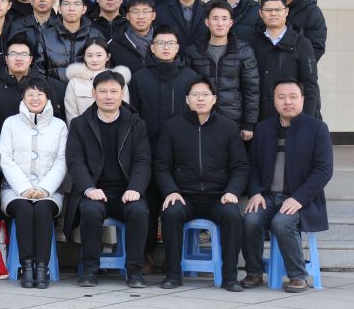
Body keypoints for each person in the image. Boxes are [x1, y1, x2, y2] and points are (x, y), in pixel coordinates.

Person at [155, 78, 249, 291]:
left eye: (205, 94)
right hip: (184, 195)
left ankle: (230, 277)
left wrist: (232, 191)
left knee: (232, 216)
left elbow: (241, 166)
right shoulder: (172, 127)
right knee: (171, 213)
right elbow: (161, 166)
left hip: (218, 196)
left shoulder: (228, 127)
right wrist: (171, 191)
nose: (200, 99)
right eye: (195, 95)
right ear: (187, 99)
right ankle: (172, 275)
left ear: (214, 99)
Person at [241, 80, 333, 293]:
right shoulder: (263, 128)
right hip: (267, 196)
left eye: (293, 97)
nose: (287, 102)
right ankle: (254, 272)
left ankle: (297, 276)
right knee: (250, 220)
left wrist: (299, 198)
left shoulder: (317, 128)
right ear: (274, 102)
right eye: (281, 97)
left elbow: (323, 170)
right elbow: (252, 164)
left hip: (300, 199)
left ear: (303, 99)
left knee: (282, 223)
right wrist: (255, 192)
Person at [65, 70, 151, 288]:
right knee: (91, 210)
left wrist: (135, 188)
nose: (109, 96)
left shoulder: (136, 124)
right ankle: (89, 270)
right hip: (95, 190)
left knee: (138, 211)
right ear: (93, 94)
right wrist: (88, 188)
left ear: (122, 93)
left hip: (126, 191)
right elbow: (75, 161)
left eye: (114, 91)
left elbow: (143, 161)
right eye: (103, 91)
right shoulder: (80, 124)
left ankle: (135, 271)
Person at [128, 26, 200, 269]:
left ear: (178, 47)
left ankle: (174, 256)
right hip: (147, 147)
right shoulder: (140, 77)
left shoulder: (190, 77)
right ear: (152, 47)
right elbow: (134, 115)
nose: (166, 47)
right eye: (160, 43)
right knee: (148, 200)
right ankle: (145, 254)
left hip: (181, 151)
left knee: (176, 201)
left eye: (170, 43)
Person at [0, 77, 68, 288]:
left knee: (42, 210)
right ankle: (27, 267)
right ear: (23, 97)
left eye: (40, 94)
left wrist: (44, 189)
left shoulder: (59, 126)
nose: (35, 98)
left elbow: (62, 161)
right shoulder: (10, 123)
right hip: (14, 189)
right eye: (30, 94)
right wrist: (25, 188)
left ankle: (42, 267)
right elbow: (5, 158)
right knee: (25, 210)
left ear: (47, 97)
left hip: (50, 191)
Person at [185, 0, 260, 141]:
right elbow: (187, 89)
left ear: (231, 23)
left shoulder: (244, 51)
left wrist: (249, 123)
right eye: (215, 18)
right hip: (201, 120)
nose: (220, 23)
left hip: (233, 121)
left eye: (224, 19)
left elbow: (252, 89)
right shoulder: (193, 51)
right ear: (207, 22)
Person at [250, 0, 320, 121]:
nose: (273, 13)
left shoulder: (302, 43)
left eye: (278, 9)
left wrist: (307, 120)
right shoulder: (252, 43)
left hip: (293, 116)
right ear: (260, 13)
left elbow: (310, 85)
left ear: (286, 11)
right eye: (268, 10)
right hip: (261, 118)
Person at [0, 35, 65, 130]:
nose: (19, 58)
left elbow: (55, 120)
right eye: (13, 54)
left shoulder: (44, 87)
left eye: (24, 54)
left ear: (30, 59)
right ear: (6, 59)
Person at [39, 0, 105, 82]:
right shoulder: (46, 36)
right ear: (59, 9)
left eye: (77, 4)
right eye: (66, 4)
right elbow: (39, 69)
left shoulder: (95, 35)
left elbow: (104, 69)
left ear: (84, 9)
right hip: (53, 89)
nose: (71, 8)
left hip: (87, 90)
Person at [64, 38, 131, 124]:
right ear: (84, 58)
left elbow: (124, 112)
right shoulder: (74, 83)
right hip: (82, 130)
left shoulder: (119, 80)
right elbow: (71, 114)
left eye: (99, 55)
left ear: (108, 57)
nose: (94, 60)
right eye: (90, 56)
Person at [9, 0, 57, 74]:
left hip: (54, 76)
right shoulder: (18, 26)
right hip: (26, 76)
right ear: (31, 0)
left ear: (54, 0)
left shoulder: (61, 26)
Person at [108, 0, 156, 73]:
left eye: (145, 11)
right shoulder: (114, 45)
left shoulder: (164, 41)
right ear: (127, 16)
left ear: (153, 15)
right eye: (135, 12)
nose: (140, 17)